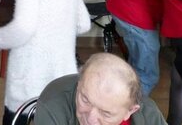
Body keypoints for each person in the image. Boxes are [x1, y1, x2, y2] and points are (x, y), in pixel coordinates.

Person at [35, 53, 167, 125]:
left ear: (130, 110)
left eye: (106, 113)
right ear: (79, 83)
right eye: (85, 100)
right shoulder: (53, 105)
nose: (91, 119)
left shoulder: (149, 114)